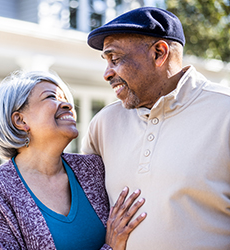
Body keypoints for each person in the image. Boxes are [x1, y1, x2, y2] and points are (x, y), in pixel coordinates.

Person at [82, 6, 230, 250]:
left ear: (159, 53)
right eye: (106, 61)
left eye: (115, 59)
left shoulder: (224, 111)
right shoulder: (103, 124)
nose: (107, 74)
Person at [0, 70, 146, 250]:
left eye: (66, 98)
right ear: (20, 120)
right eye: (51, 97)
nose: (68, 104)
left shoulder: (93, 169)